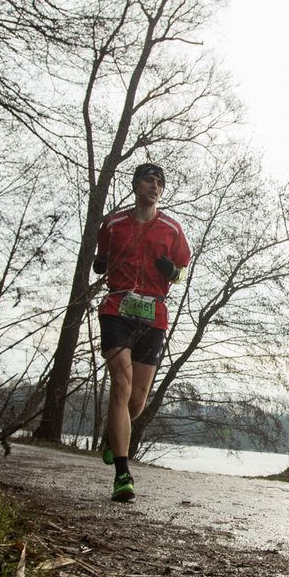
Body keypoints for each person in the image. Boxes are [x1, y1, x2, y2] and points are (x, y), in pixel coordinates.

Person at [93, 163, 191, 503]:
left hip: (153, 313)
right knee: (121, 383)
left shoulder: (172, 229)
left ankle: (113, 436)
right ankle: (123, 474)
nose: (155, 187)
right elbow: (102, 255)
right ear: (136, 185)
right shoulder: (113, 223)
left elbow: (182, 271)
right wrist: (100, 263)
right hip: (116, 308)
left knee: (136, 398)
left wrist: (172, 272)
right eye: (149, 180)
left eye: (160, 183)